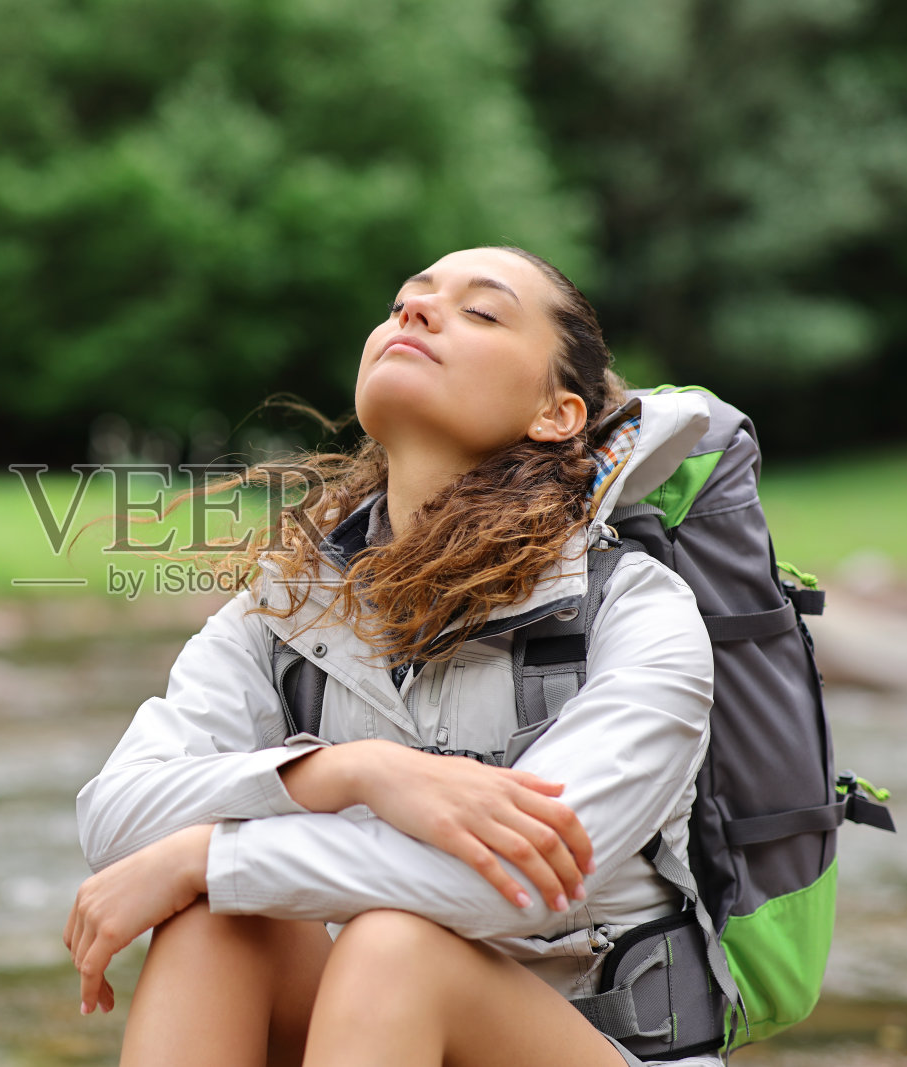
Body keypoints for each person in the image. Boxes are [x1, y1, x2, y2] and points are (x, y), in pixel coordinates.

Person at [63, 245, 720, 1067]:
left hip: (598, 1047)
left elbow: (518, 879)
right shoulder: (286, 610)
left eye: (480, 311)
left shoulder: (638, 608)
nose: (414, 312)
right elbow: (115, 818)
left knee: (389, 946)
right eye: (406, 300)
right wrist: (349, 772)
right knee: (220, 921)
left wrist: (208, 852)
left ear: (558, 412)